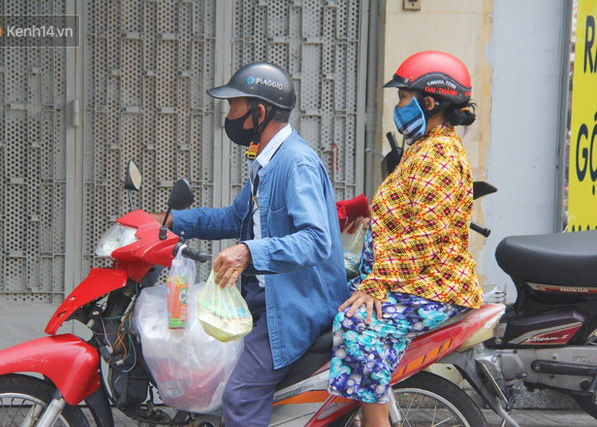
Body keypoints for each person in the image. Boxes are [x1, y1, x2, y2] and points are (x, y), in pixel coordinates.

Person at [153, 62, 349, 426]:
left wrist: (249, 251)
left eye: (234, 107)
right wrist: (172, 223)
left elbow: (317, 240)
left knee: (239, 396)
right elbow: (234, 218)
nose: (228, 116)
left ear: (259, 112)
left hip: (295, 304)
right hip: (261, 297)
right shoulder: (266, 163)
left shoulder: (296, 163)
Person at [327, 51, 484, 427]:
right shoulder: (424, 147)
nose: (397, 106)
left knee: (359, 325)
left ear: (428, 102)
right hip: (410, 277)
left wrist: (376, 285)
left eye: (402, 97)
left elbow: (425, 238)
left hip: (432, 286)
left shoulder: (441, 155)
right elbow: (409, 211)